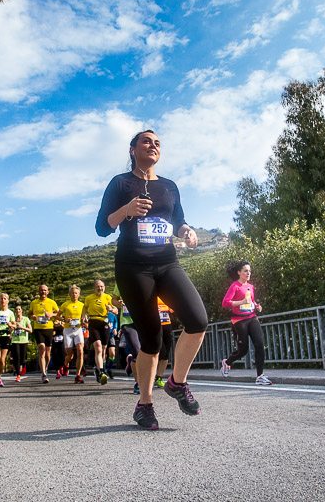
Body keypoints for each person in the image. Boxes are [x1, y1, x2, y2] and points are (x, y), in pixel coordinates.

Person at [95, 129, 208, 430]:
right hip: (133, 267)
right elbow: (102, 228)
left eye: (157, 142)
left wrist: (187, 231)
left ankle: (177, 383)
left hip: (167, 262)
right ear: (132, 149)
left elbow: (178, 220)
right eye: (146, 141)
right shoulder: (120, 183)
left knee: (198, 320)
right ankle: (145, 404)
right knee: (152, 338)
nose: (153, 145)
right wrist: (127, 209)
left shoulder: (169, 186)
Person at [220, 260, 271, 385]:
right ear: (239, 273)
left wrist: (257, 306)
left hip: (252, 317)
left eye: (249, 271)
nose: (248, 273)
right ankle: (227, 362)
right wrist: (241, 302)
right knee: (243, 350)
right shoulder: (235, 286)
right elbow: (225, 303)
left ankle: (260, 376)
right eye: (245, 271)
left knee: (259, 344)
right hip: (239, 320)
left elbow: (251, 301)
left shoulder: (250, 286)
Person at [84, 279, 115, 384]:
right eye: (98, 286)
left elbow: (116, 310)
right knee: (98, 346)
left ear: (104, 287)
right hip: (93, 322)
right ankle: (102, 372)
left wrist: (111, 308)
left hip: (104, 323)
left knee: (104, 348)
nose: (100, 288)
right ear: (94, 288)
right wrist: (83, 316)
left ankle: (98, 369)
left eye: (101, 286)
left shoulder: (108, 297)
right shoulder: (89, 298)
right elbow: (85, 308)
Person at [30, 284, 59, 383]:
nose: (43, 292)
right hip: (38, 329)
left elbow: (59, 313)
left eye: (45, 290)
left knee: (48, 352)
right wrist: (33, 316)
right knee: (41, 348)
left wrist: (52, 314)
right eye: (41, 290)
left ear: (48, 292)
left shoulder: (52, 302)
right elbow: (30, 314)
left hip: (49, 329)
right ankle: (43, 374)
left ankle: (45, 368)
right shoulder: (34, 303)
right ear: (39, 291)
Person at [59, 284, 86, 383]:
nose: (74, 295)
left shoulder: (82, 305)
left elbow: (85, 318)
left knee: (80, 351)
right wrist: (64, 319)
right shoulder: (65, 304)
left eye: (76, 293)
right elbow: (58, 316)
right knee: (70, 354)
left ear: (79, 294)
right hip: (68, 330)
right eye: (72, 293)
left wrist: (84, 321)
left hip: (78, 330)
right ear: (69, 294)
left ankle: (78, 375)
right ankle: (65, 365)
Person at [154, 298, 174, 388]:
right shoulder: (151, 293)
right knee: (161, 352)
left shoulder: (166, 295)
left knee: (166, 355)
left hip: (167, 325)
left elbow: (173, 309)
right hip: (155, 326)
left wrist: (166, 308)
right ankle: (152, 375)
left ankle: (159, 377)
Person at [10, 305, 32, 382]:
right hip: (15, 341)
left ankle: (24, 365)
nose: (18, 310)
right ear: (15, 311)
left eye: (19, 309)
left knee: (22, 359)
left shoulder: (26, 319)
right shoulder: (13, 320)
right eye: (16, 309)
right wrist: (11, 328)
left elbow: (30, 330)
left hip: (24, 341)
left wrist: (21, 327)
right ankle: (18, 375)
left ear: (22, 310)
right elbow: (10, 330)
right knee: (17, 358)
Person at [104, 295, 121, 377]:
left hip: (110, 335)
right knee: (104, 353)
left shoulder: (112, 314)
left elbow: (115, 322)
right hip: (103, 335)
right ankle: (102, 370)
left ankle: (109, 368)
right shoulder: (102, 314)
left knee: (112, 353)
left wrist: (115, 329)